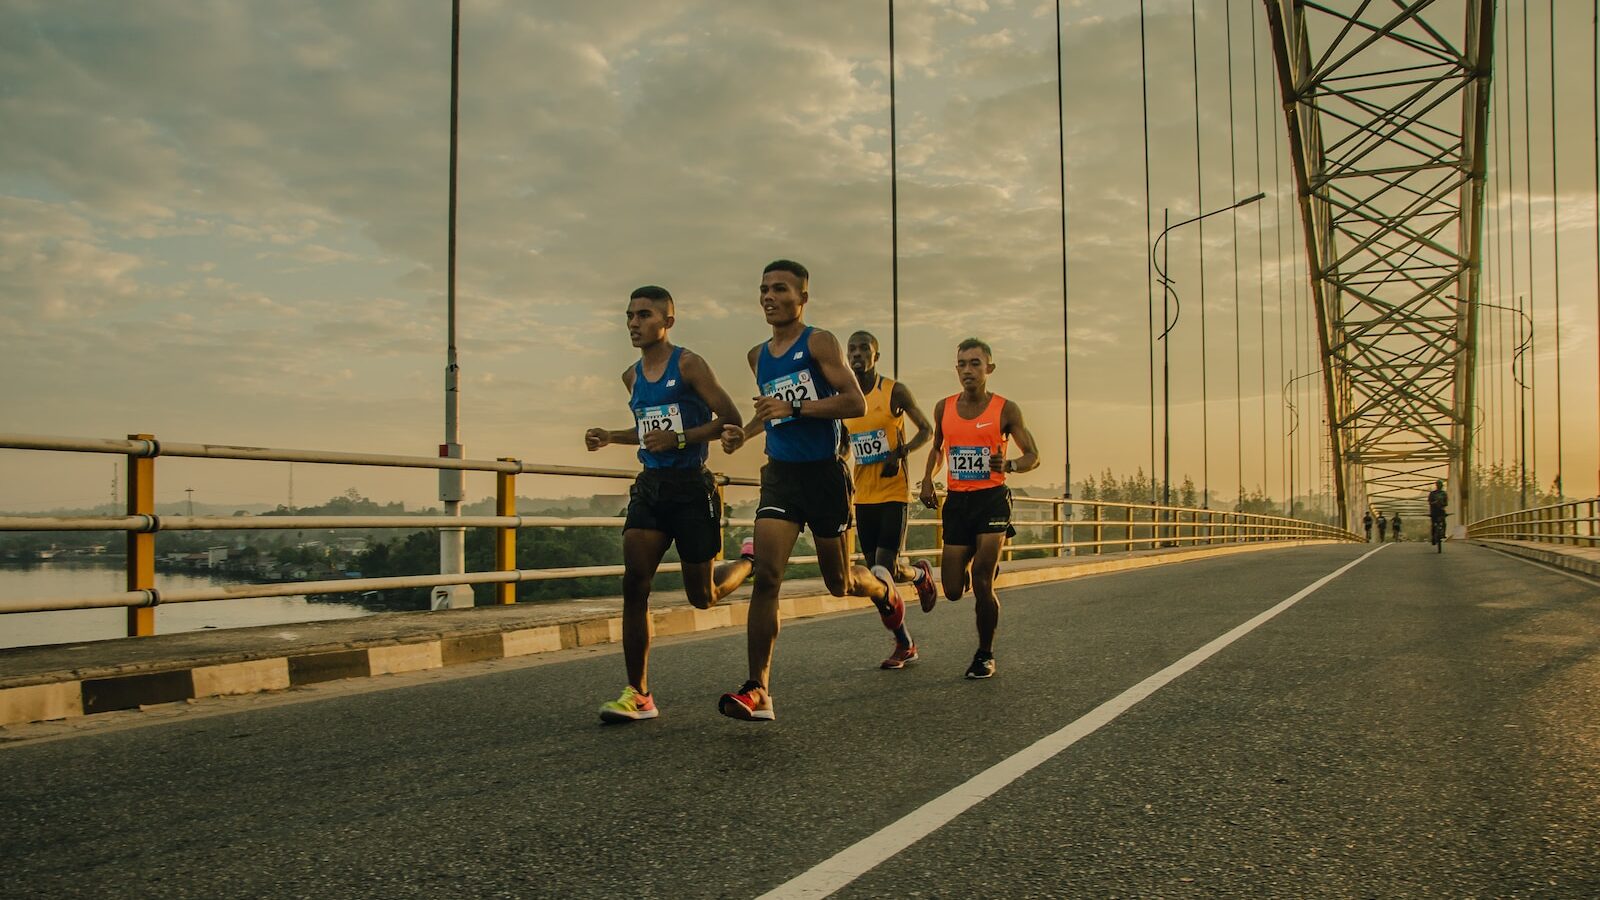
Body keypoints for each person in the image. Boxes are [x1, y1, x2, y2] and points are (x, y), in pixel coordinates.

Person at [716, 260, 905, 721]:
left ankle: (883, 590)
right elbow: (771, 411)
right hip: (781, 475)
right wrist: (745, 431)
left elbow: (853, 401)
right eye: (763, 289)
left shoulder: (818, 341)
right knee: (768, 578)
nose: (769, 296)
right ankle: (758, 689)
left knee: (839, 583)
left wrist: (795, 406)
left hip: (824, 475)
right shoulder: (757, 356)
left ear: (802, 297)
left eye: (780, 289)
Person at [586, 285, 755, 723]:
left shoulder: (689, 364)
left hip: (691, 489)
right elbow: (646, 430)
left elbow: (730, 418)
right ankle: (639, 694)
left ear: (667, 321)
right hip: (650, 489)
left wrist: (681, 439)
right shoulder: (632, 375)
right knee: (634, 583)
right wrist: (612, 436)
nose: (633, 324)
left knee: (704, 596)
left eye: (643, 315)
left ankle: (746, 564)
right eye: (629, 316)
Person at [918, 338, 1041, 680]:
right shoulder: (943, 407)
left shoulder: (1006, 409)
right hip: (958, 502)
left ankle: (984, 654)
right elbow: (938, 447)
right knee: (954, 590)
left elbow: (1034, 455)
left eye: (975, 363)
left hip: (991, 499)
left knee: (983, 582)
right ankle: (972, 562)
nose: (968, 370)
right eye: (962, 364)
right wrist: (928, 478)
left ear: (989, 368)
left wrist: (1012, 464)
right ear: (956, 369)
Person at [843, 330, 938, 639]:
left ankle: (904, 642)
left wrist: (900, 453)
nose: (857, 354)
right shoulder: (846, 399)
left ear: (876, 356)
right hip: (863, 494)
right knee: (880, 575)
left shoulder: (894, 391)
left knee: (883, 568)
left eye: (863, 349)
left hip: (893, 491)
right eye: (852, 350)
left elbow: (926, 430)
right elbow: (846, 443)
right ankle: (921, 575)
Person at [1427, 480, 1449, 545]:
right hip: (1434, 511)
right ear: (1437, 485)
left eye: (1440, 485)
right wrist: (1435, 502)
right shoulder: (1432, 493)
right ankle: (1433, 537)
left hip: (1441, 510)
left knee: (1444, 523)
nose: (1440, 486)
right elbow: (1430, 502)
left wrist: (1442, 503)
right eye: (1438, 485)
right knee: (1433, 524)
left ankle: (1443, 534)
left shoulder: (1444, 493)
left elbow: (1446, 503)